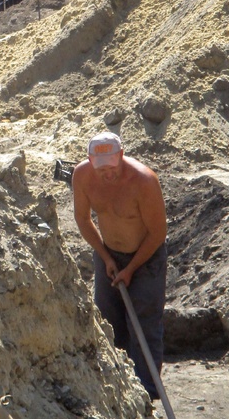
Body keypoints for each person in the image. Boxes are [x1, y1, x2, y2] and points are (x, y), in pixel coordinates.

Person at [72, 131, 168, 401]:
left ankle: (147, 393)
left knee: (144, 321)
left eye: (112, 167)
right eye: (101, 169)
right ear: (90, 161)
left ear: (122, 156)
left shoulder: (144, 181)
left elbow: (158, 233)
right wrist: (106, 258)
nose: (108, 174)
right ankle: (117, 387)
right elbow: (82, 219)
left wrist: (131, 269)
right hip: (109, 255)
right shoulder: (82, 176)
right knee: (109, 319)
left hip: (146, 258)